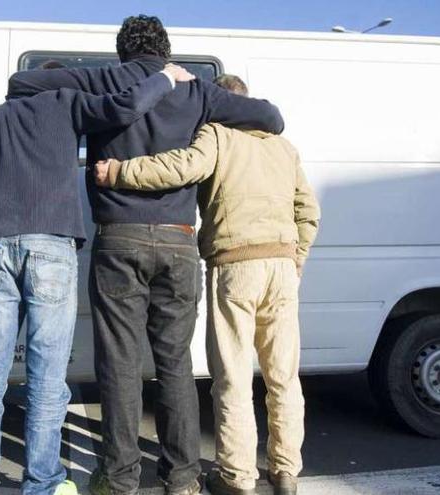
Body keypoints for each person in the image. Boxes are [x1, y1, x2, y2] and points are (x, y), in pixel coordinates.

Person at [8, 16, 284, 495]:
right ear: (166, 49)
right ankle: (182, 478)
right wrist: (181, 83)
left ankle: (118, 479)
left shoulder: (107, 78)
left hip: (119, 238)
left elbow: (21, 82)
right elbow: (272, 117)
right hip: (178, 241)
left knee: (118, 364)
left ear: (123, 52)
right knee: (175, 364)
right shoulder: (197, 91)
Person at [0, 64, 196, 495]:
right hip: (51, 249)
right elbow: (127, 106)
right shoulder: (66, 103)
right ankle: (42, 482)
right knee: (45, 376)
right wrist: (166, 79)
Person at [94, 74, 320, 495]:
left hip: (236, 265)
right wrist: (297, 258)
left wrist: (120, 171)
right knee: (283, 375)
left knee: (232, 375)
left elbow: (181, 167)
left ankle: (237, 477)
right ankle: (285, 471)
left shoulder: (217, 136)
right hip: (282, 267)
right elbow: (309, 211)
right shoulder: (284, 148)